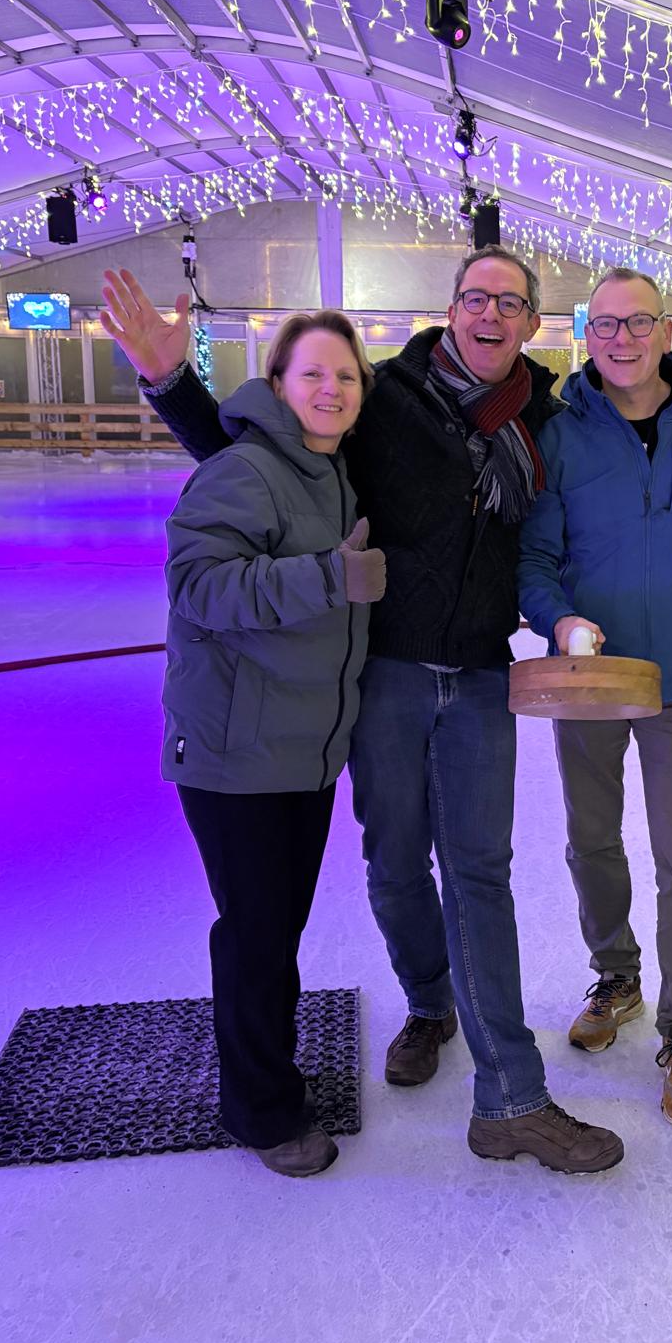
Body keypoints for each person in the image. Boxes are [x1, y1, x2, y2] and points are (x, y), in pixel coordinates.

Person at [99, 250, 623, 1175]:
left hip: (479, 675)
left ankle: (511, 1098)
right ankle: (428, 1003)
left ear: (532, 323)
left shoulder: (545, 418)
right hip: (385, 674)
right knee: (393, 867)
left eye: (511, 302)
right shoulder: (385, 396)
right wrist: (171, 383)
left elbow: (585, 501)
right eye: (476, 297)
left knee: (481, 876)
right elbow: (261, 460)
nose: (491, 314)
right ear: (450, 309)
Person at [133, 304, 387, 1177]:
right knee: (256, 934)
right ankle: (263, 1112)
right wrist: (328, 577)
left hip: (300, 748)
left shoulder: (331, 469)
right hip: (236, 750)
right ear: (277, 384)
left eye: (346, 376)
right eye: (312, 372)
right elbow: (198, 584)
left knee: (276, 928)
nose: (331, 388)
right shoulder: (245, 469)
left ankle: (266, 1074)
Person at [519, 268, 672, 1124]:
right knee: (591, 838)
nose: (621, 339)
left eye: (638, 322)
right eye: (604, 324)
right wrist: (561, 618)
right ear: (586, 335)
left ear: (667, 332)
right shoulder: (561, 432)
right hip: (591, 677)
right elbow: (535, 558)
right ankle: (616, 974)